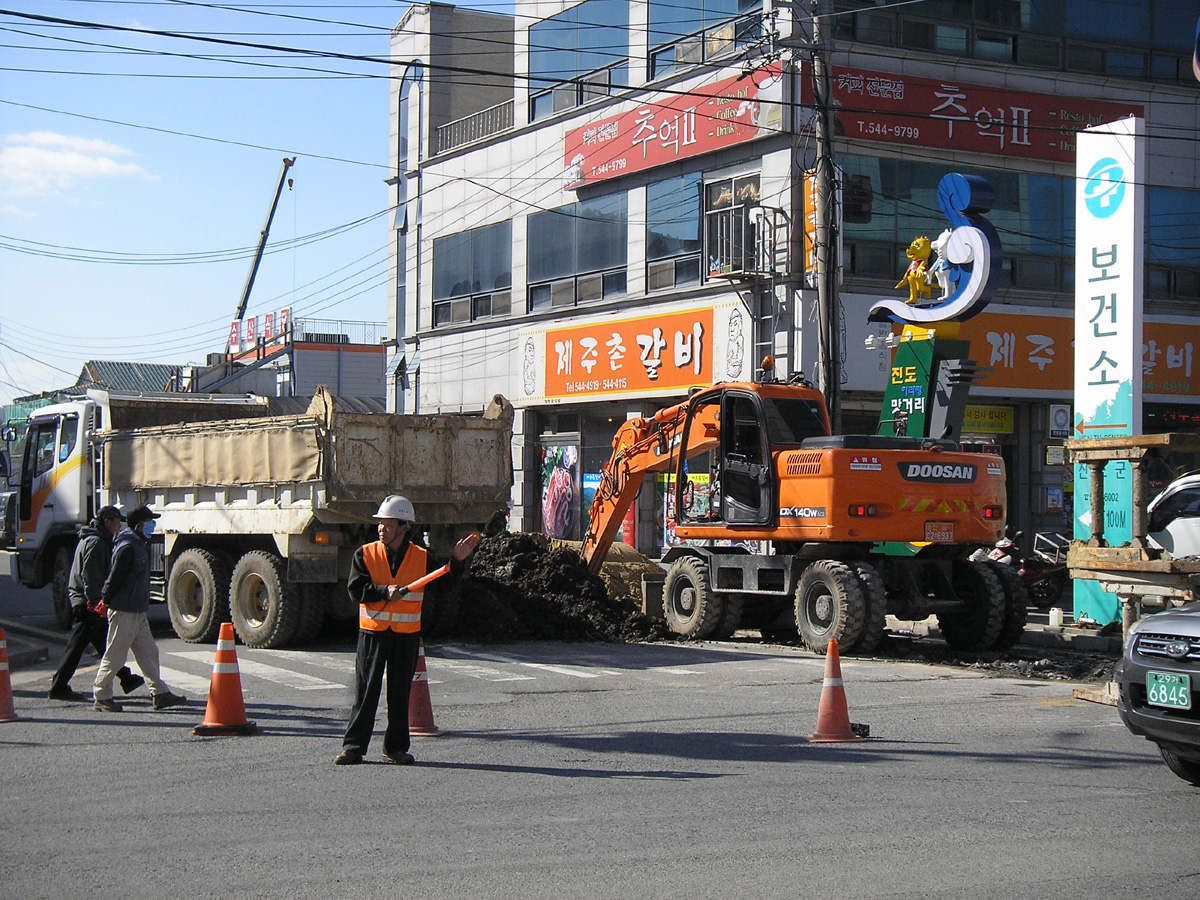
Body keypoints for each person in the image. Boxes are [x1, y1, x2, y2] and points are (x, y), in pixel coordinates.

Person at [335, 495, 479, 766]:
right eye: (380, 524)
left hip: (405, 636)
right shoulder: (365, 554)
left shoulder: (421, 557)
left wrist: (457, 561)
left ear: (404, 528)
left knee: (400, 694)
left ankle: (395, 748)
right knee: (365, 692)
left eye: (388, 525)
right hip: (373, 633)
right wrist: (383, 591)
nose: (381, 529)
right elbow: (355, 590)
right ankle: (353, 747)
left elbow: (444, 584)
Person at [92, 504, 186, 713]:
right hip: (124, 611)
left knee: (149, 653)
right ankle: (102, 696)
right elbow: (114, 577)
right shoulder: (128, 546)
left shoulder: (137, 543)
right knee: (115, 656)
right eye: (149, 522)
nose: (152, 525)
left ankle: (160, 693)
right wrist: (105, 600)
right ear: (139, 524)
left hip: (137, 611)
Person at [48, 506, 143, 701]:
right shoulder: (96, 542)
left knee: (103, 643)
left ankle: (126, 678)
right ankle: (58, 688)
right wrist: (96, 603)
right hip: (87, 603)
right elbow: (90, 577)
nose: (119, 527)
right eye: (116, 523)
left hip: (85, 600)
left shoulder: (93, 539)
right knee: (76, 647)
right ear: (107, 522)